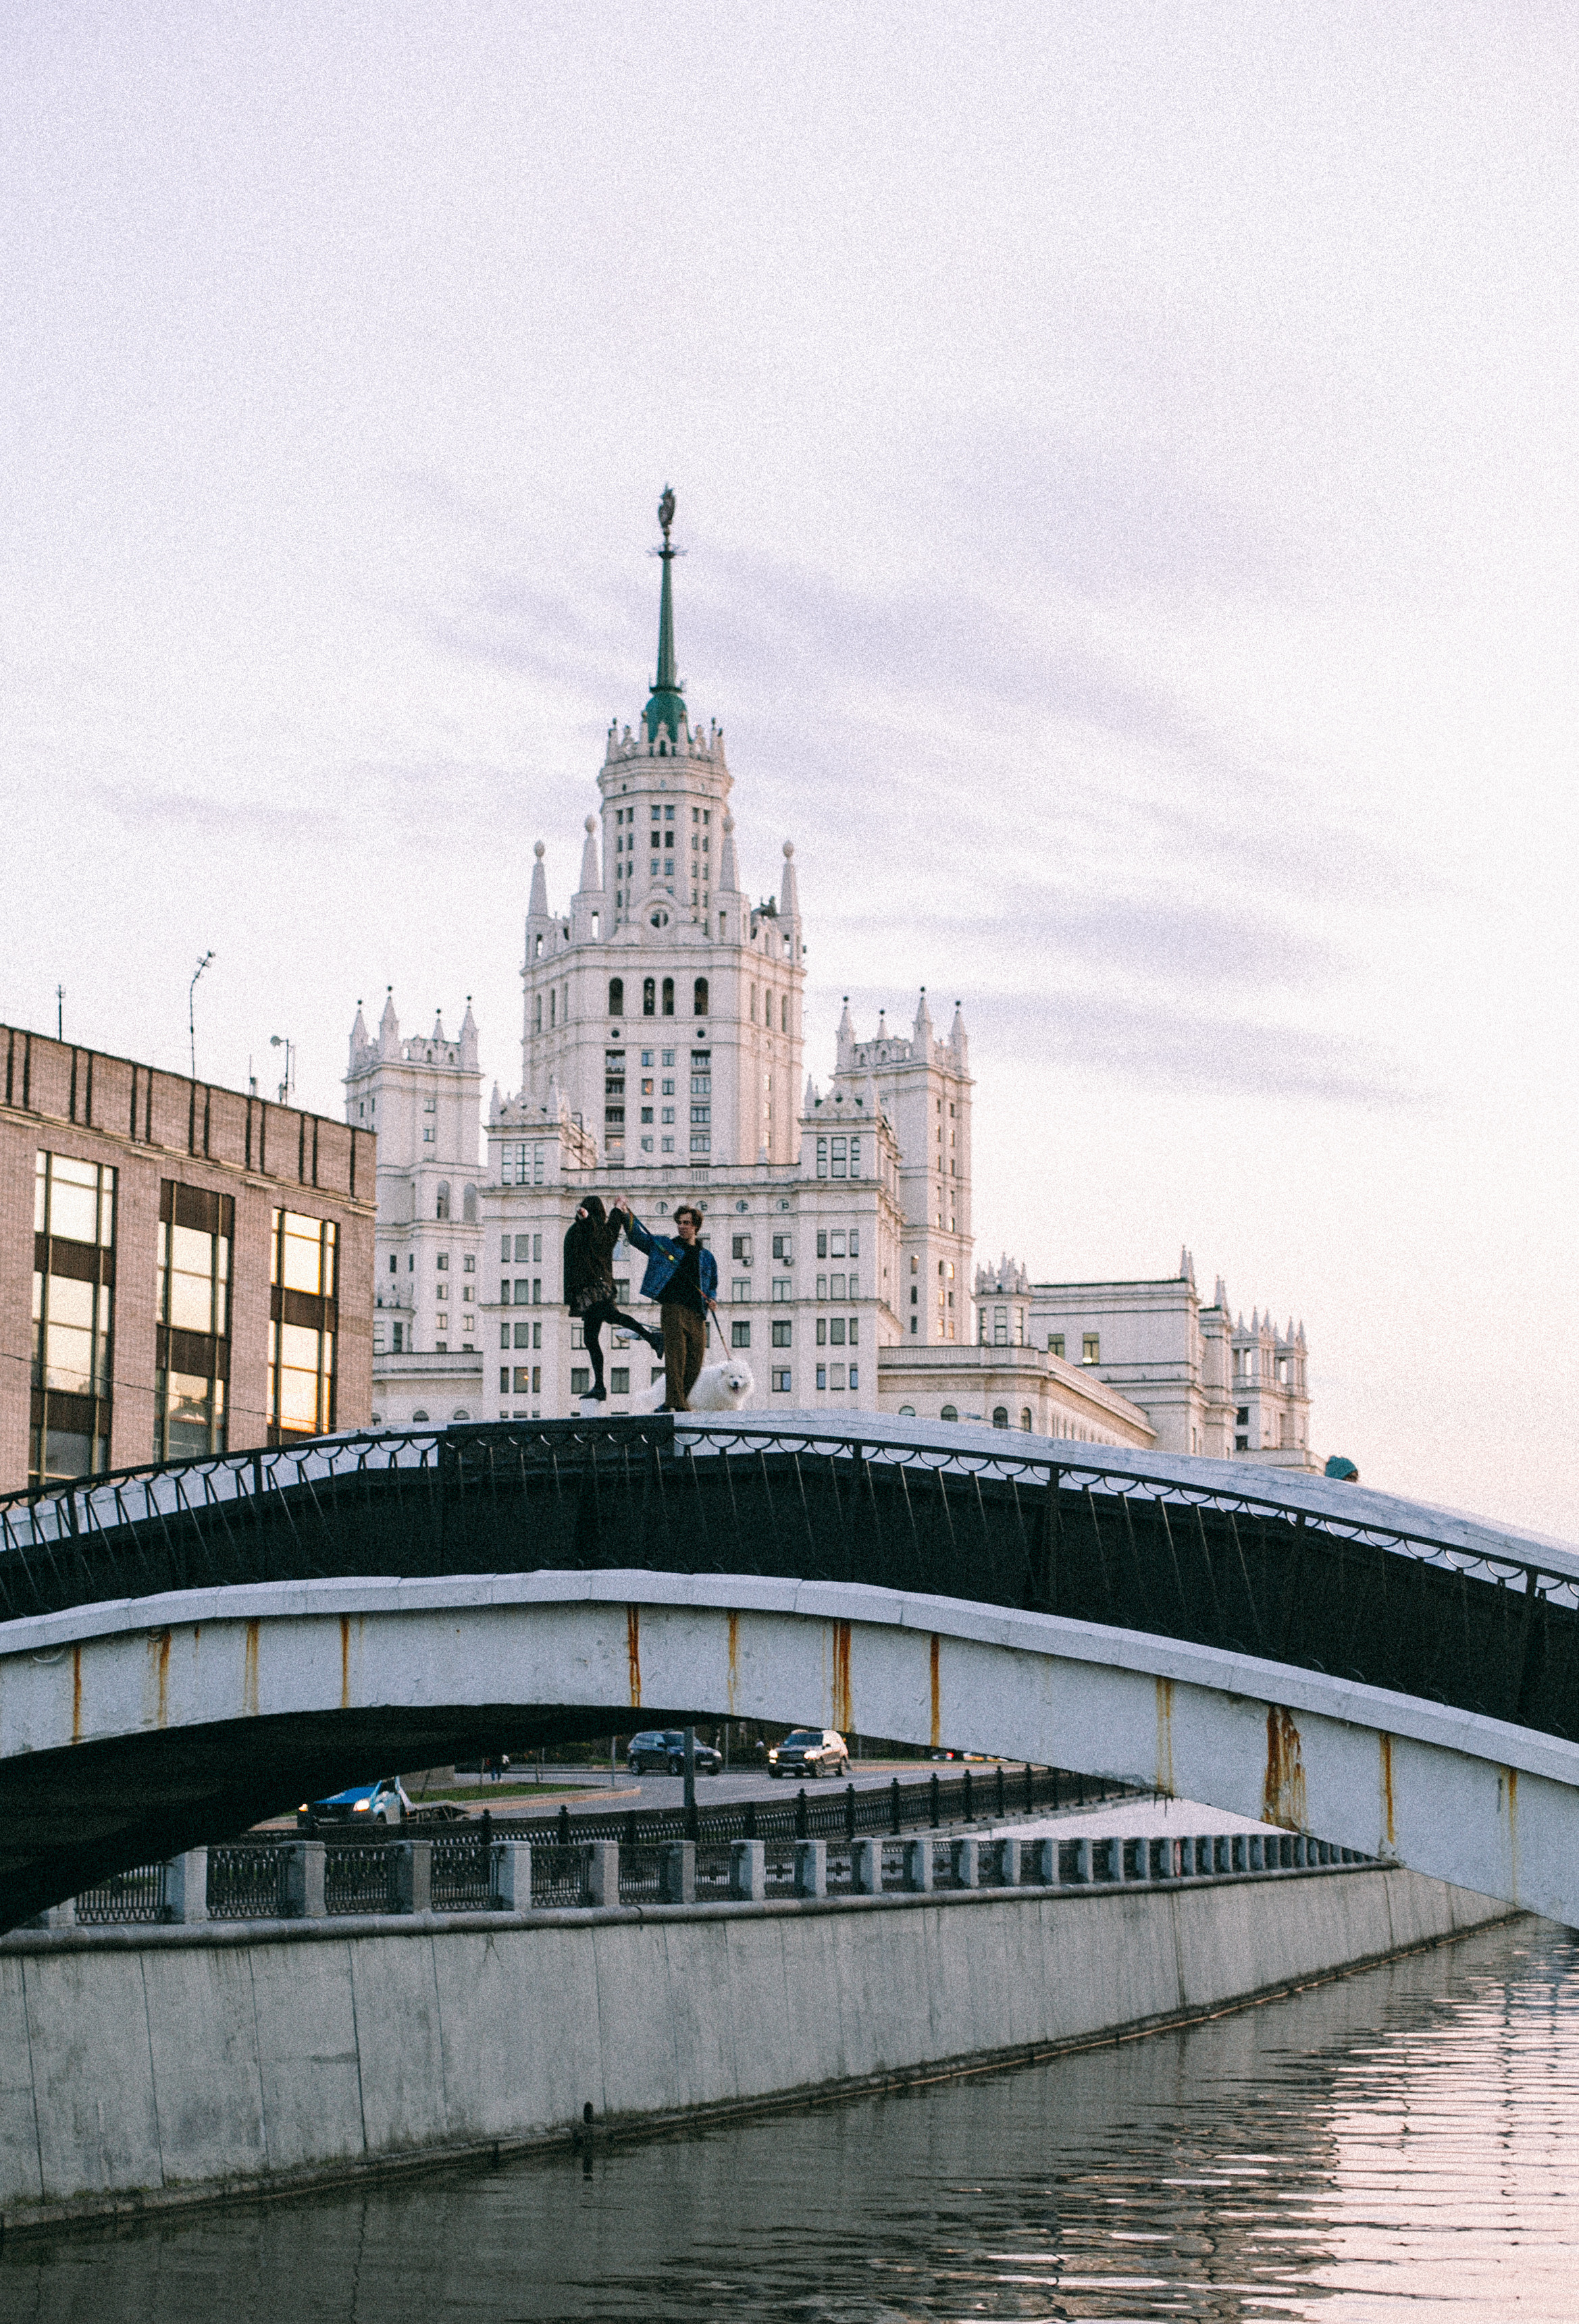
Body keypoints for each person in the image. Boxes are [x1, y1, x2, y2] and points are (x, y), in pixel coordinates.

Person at [611, 1196, 719, 1412]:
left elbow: (713, 1283)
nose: (682, 1226)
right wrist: (625, 1214)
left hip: (697, 1313)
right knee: (676, 1358)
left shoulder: (706, 1257)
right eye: (679, 1222)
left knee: (695, 1363)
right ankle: (677, 1404)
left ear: (696, 1227)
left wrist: (712, 1298)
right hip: (673, 1308)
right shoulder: (666, 1246)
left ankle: (675, 1402)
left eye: (687, 1223)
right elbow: (638, 1238)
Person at [563, 1195, 664, 1402]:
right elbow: (611, 1226)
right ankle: (600, 1385)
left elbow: (589, 1224)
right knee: (593, 1336)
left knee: (608, 1321)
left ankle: (653, 1339)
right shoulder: (604, 1231)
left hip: (593, 1290)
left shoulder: (588, 1228)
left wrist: (585, 1215)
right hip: (596, 1289)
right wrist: (617, 1209)